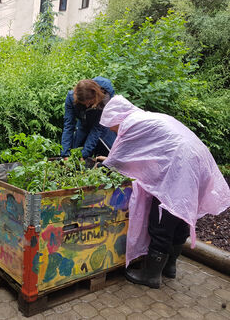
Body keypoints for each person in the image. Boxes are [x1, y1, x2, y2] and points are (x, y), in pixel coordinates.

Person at [98, 95, 230, 289]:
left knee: (162, 221)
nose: (114, 131)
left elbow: (119, 158)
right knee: (180, 216)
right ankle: (169, 267)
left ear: (117, 119)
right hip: (198, 162)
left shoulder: (130, 124)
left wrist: (105, 164)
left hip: (181, 166)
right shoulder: (148, 117)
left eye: (113, 127)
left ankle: (151, 276)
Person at [60, 76, 117, 159]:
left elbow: (97, 129)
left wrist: (84, 155)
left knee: (111, 154)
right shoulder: (71, 98)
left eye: (90, 103)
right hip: (83, 124)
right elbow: (69, 125)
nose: (87, 106)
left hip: (103, 127)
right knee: (75, 151)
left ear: (95, 97)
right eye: (84, 104)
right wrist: (65, 153)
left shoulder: (104, 100)